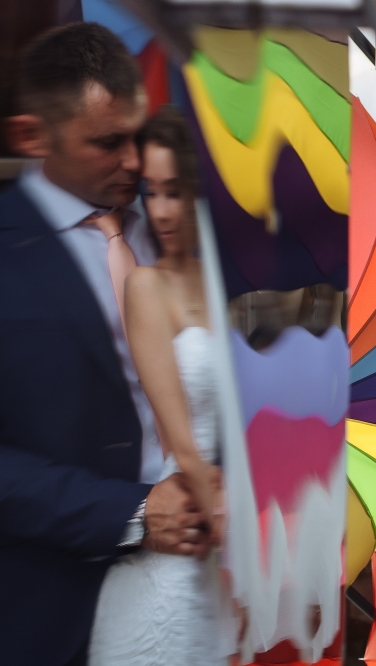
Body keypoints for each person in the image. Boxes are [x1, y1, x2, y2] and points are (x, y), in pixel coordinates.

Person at [0, 23, 209, 666]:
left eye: (136, 137)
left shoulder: (188, 231)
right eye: (107, 143)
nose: (134, 162)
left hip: (200, 583)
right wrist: (133, 512)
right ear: (32, 136)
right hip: (47, 611)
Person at [88, 105, 233, 665]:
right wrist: (224, 513)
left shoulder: (232, 291)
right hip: (185, 526)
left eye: (175, 191)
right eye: (151, 192)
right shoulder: (145, 285)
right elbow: (181, 442)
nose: (162, 210)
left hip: (227, 531)